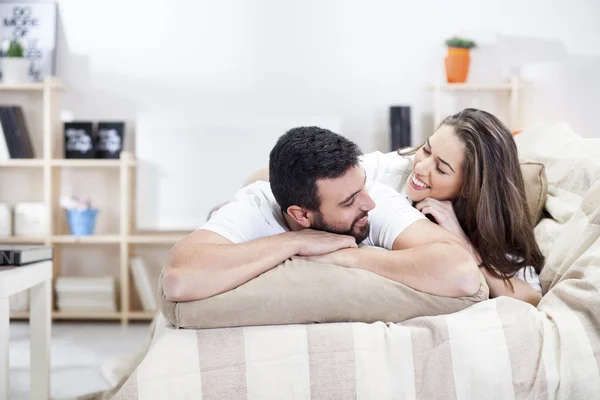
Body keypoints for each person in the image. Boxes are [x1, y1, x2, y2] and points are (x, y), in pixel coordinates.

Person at [241, 109, 545, 306]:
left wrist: (463, 245)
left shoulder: (489, 220)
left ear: (470, 186)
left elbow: (529, 297)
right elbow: (262, 177)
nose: (421, 167)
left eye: (441, 168)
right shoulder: (391, 169)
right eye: (426, 149)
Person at [163, 126, 481, 302]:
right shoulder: (255, 206)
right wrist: (294, 243)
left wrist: (347, 257)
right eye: (349, 201)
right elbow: (179, 278)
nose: (368, 203)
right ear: (301, 215)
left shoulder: (374, 199)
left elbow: (462, 272)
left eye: (363, 187)